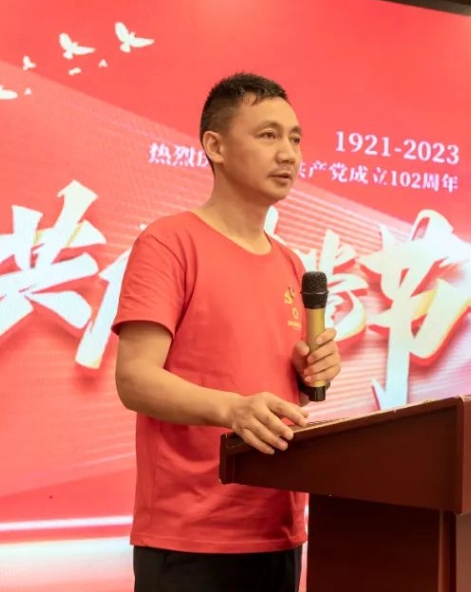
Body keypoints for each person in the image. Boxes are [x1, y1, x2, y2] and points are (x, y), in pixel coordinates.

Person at [111, 72, 342, 592]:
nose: (288, 154)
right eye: (268, 135)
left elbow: (273, 381)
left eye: (295, 138)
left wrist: (311, 371)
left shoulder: (290, 263)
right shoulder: (170, 243)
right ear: (215, 146)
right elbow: (135, 379)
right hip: (190, 538)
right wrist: (233, 410)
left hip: (278, 528)